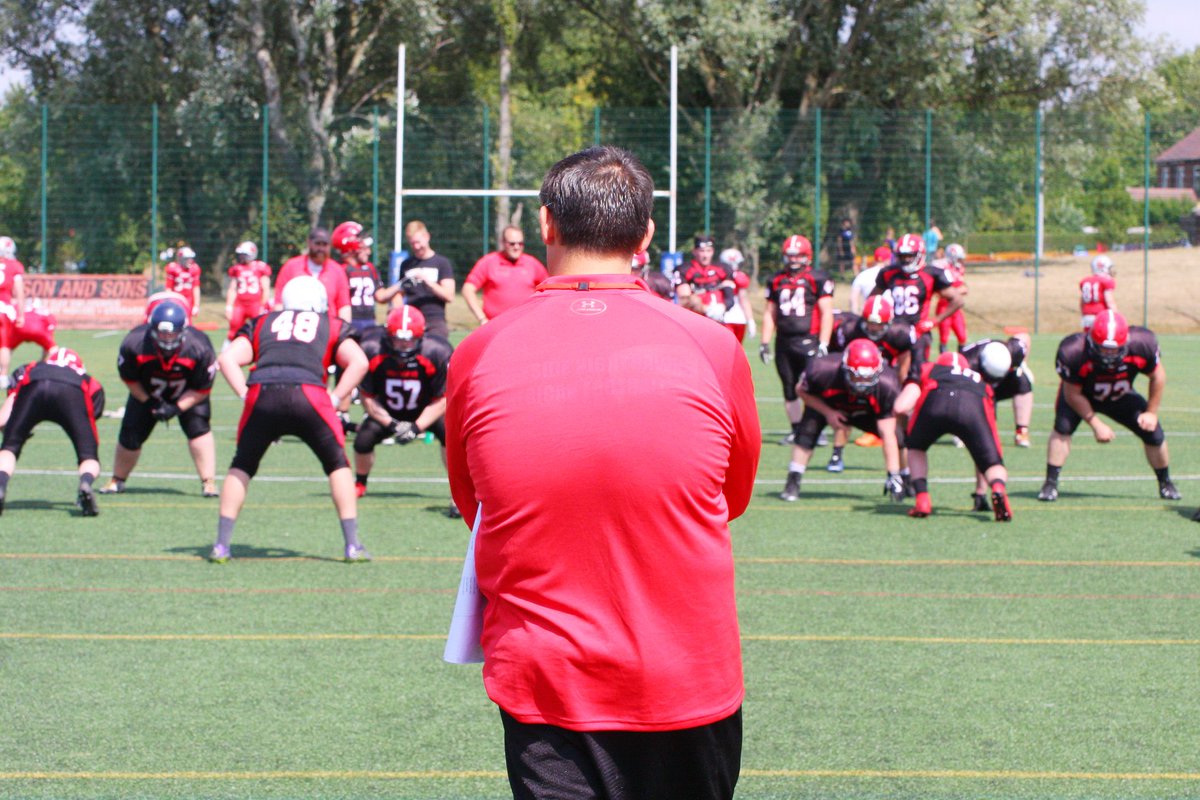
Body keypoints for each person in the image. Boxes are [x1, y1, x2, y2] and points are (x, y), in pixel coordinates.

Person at [445, 146, 759, 800]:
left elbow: (476, 506)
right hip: (685, 678)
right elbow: (731, 498)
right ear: (646, 236)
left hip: (545, 686)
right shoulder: (710, 347)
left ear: (546, 226)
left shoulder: (478, 352)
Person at [209, 275, 370, 563]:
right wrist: (335, 399)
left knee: (242, 464)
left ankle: (221, 545)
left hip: (263, 392)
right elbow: (359, 362)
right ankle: (352, 545)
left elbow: (227, 360)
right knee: (338, 465)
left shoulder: (262, 322)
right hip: (310, 394)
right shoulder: (329, 324)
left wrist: (246, 394)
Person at [1037, 310, 1180, 503]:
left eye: (1114, 349)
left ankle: (1166, 483)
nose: (1109, 354)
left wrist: (1151, 413)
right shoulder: (1074, 351)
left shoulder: (1142, 344)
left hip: (1119, 395)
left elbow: (1158, 376)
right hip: (1081, 395)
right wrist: (1095, 423)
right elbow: (1072, 393)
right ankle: (1050, 484)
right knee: (1062, 428)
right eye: (1103, 349)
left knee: (1154, 433)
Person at [98, 300, 219, 497]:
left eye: (171, 333)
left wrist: (177, 407)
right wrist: (148, 401)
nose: (166, 339)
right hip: (147, 392)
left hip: (188, 393)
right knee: (130, 435)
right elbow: (129, 378)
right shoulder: (135, 343)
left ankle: (209, 482)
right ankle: (117, 480)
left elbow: (202, 389)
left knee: (199, 429)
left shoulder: (199, 346)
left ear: (182, 330)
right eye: (162, 333)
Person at [779, 340, 905, 503]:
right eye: (856, 376)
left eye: (867, 377)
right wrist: (829, 412)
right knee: (806, 433)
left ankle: (903, 478)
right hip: (828, 404)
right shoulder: (822, 369)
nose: (862, 383)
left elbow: (887, 432)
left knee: (898, 435)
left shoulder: (887, 383)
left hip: (865, 411)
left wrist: (893, 473)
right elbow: (801, 391)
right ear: (845, 368)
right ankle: (793, 480)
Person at [894, 350, 1013, 521]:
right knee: (991, 462)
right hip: (973, 405)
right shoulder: (980, 379)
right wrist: (982, 489)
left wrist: (904, 429)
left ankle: (922, 498)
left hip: (936, 399)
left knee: (916, 447)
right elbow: (990, 427)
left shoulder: (929, 368)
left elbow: (901, 406)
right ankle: (998, 488)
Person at [352, 306, 452, 506]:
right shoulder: (372, 349)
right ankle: (360, 483)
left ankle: (456, 489)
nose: (404, 345)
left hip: (426, 410)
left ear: (421, 336)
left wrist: (416, 427)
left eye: (410, 339)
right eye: (398, 339)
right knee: (363, 440)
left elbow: (443, 399)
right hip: (387, 411)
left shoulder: (437, 352)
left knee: (450, 436)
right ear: (387, 335)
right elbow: (367, 397)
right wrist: (391, 424)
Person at [0, 347, 105, 516]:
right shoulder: (89, 381)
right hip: (73, 391)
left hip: (35, 384)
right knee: (89, 457)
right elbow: (91, 415)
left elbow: (5, 417)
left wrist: (15, 433)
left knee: (9, 449)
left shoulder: (30, 368)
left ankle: (1, 484)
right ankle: (85, 484)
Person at [760, 234, 835, 452]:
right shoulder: (776, 279)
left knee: (812, 388)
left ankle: (815, 430)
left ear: (807, 256)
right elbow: (769, 313)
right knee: (788, 387)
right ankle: (796, 429)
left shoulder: (817, 278)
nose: (793, 260)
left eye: (798, 256)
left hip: (809, 341)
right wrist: (765, 342)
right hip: (784, 342)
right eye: (790, 256)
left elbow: (826, 312)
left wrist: (823, 342)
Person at [870, 232, 963, 378]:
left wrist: (935, 320)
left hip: (919, 331)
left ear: (920, 254)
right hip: (894, 330)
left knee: (917, 375)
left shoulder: (931, 274)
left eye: (910, 255)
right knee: (882, 371)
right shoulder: (889, 273)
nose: (906, 259)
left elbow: (957, 300)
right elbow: (873, 299)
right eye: (902, 255)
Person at [377, 221, 456, 340]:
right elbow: (400, 293)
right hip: (411, 318)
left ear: (427, 237)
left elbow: (449, 296)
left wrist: (427, 281)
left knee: (437, 348)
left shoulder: (442, 263)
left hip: (434, 319)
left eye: (418, 242)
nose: (416, 247)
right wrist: (396, 309)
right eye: (412, 243)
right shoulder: (407, 264)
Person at [961, 332, 1035, 450]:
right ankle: (962, 429)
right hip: (972, 387)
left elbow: (1024, 337)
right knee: (986, 428)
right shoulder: (967, 364)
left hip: (996, 379)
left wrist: (1023, 364)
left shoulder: (1013, 350)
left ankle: (1022, 431)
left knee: (1022, 380)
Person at [462, 226, 548, 325]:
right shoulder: (489, 262)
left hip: (525, 326)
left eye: (520, 243)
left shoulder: (532, 264)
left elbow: (548, 290)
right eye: (512, 243)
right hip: (495, 327)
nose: (516, 247)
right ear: (502, 242)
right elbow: (468, 289)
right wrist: (482, 319)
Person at [273, 227, 352, 322]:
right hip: (295, 326)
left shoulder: (337, 271)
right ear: (309, 243)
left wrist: (344, 331)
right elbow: (279, 303)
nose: (321, 248)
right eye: (318, 244)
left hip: (328, 329)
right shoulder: (291, 267)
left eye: (325, 245)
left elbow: (344, 306)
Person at [332, 221, 382, 334]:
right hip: (349, 320)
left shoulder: (369, 268)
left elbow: (380, 294)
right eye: (358, 238)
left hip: (370, 320)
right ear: (349, 243)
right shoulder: (339, 269)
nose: (362, 241)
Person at [675, 234, 733, 320]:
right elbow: (685, 300)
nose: (705, 255)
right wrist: (706, 309)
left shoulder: (723, 269)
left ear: (713, 251)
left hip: (719, 317)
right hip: (695, 318)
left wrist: (723, 307)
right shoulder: (684, 269)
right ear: (694, 251)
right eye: (702, 251)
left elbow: (730, 297)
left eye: (708, 251)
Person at [224, 241, 272, 344]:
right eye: (241, 254)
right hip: (240, 305)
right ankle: (227, 353)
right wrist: (229, 306)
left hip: (255, 304)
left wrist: (263, 306)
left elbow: (266, 289)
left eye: (244, 254)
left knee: (259, 331)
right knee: (233, 329)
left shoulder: (260, 267)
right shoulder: (237, 268)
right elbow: (232, 289)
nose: (241, 257)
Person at [0, 235, 27, 390]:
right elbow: (19, 291)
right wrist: (21, 313)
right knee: (4, 345)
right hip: (4, 309)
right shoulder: (14, 265)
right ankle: (3, 376)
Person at [936, 243, 969, 352]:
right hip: (944, 307)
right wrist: (957, 291)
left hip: (956, 308)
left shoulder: (959, 269)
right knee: (944, 338)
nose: (961, 260)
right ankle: (944, 363)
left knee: (962, 335)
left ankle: (963, 362)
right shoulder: (942, 269)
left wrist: (956, 291)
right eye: (959, 258)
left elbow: (965, 288)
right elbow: (940, 292)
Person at [718, 248, 756, 342]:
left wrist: (750, 320)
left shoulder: (719, 276)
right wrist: (750, 320)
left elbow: (743, 299)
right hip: (736, 318)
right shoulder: (739, 276)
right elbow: (744, 300)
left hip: (729, 318)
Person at [849, 245, 893, 314]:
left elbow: (853, 299)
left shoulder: (862, 275)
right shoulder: (890, 275)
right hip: (888, 314)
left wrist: (855, 316)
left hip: (869, 315)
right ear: (887, 260)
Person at [1079, 254, 1117, 330]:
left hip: (1086, 316)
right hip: (1101, 315)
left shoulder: (1086, 281)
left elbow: (1082, 301)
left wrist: (1083, 313)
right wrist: (1116, 314)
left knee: (1088, 338)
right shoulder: (1106, 281)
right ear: (1104, 267)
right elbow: (1109, 301)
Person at [164, 246, 202, 316]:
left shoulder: (195, 268)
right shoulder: (173, 268)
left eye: (191, 258)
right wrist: (168, 301)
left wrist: (196, 305)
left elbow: (196, 288)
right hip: (175, 300)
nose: (190, 260)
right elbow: (168, 288)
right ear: (181, 258)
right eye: (187, 258)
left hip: (188, 300)